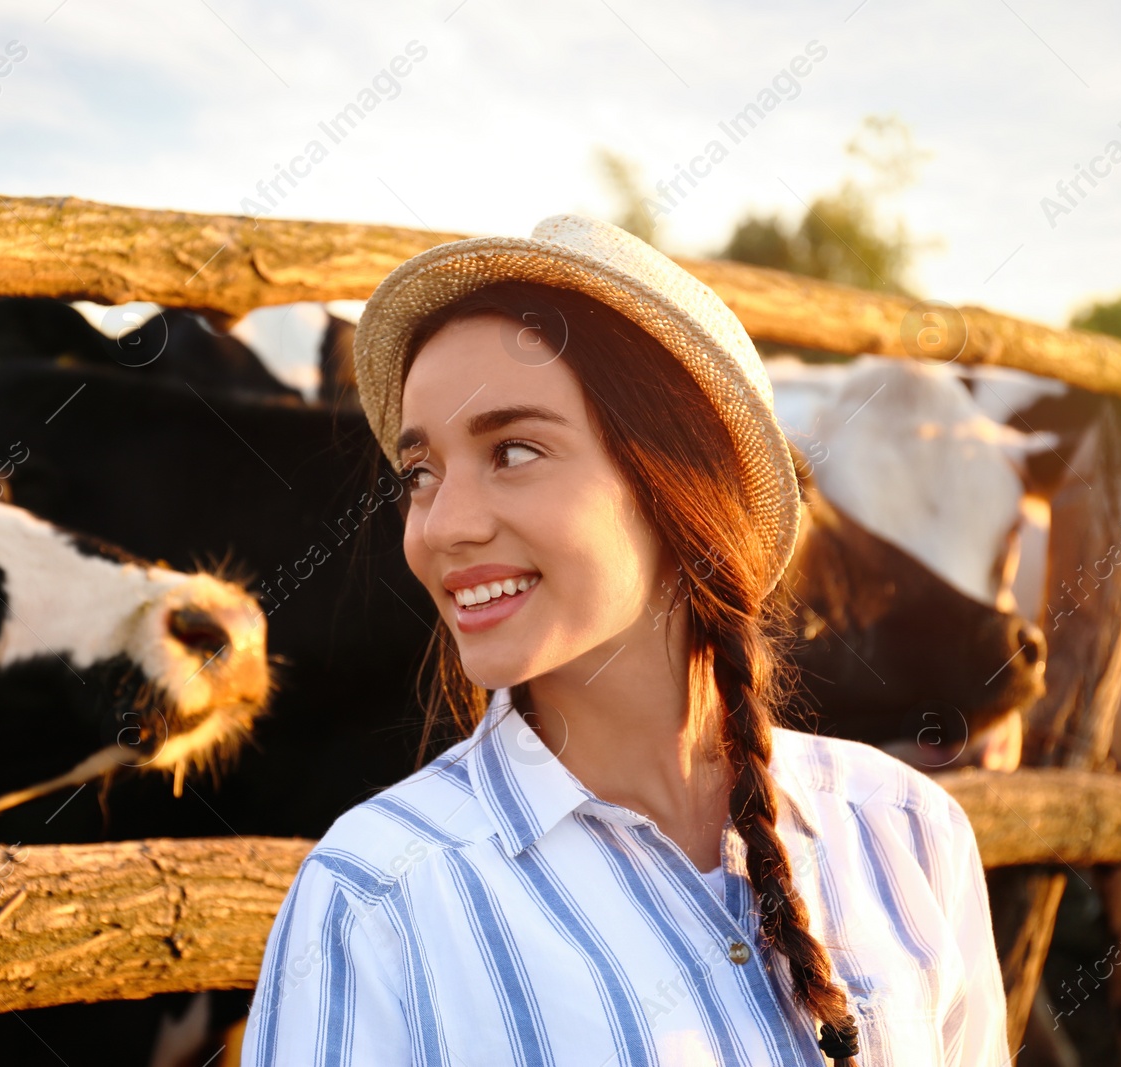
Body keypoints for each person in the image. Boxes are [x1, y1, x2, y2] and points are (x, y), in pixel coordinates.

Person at [239, 215, 1009, 1066]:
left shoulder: (906, 833)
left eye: (515, 449)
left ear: (681, 483)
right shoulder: (373, 900)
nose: (440, 526)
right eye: (420, 474)